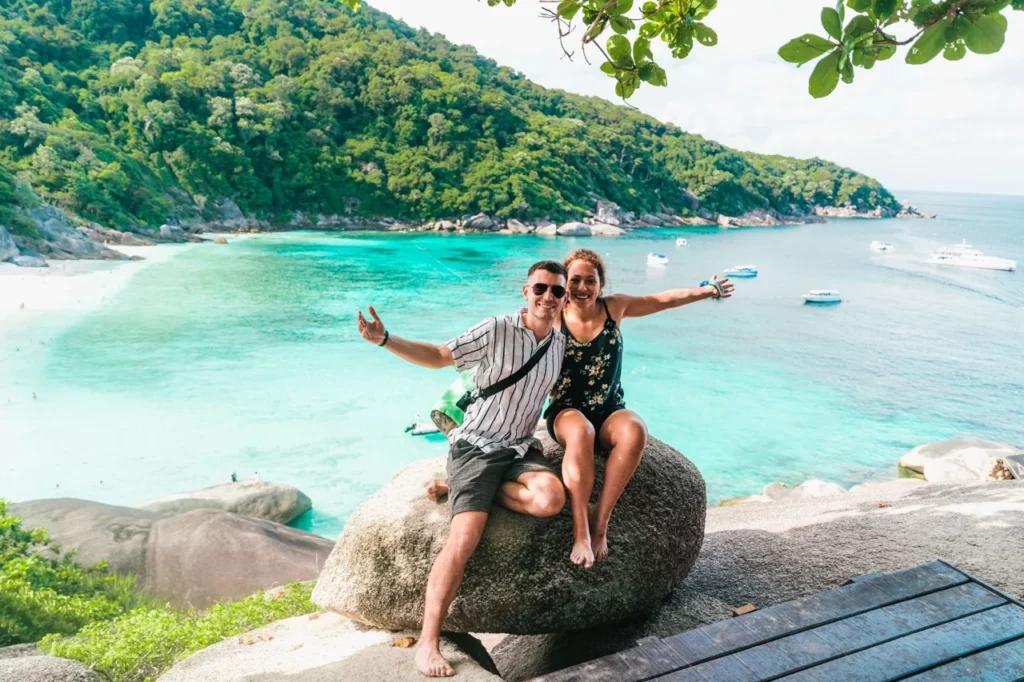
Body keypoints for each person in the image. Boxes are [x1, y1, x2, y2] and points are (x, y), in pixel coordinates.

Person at [356, 260, 569, 678]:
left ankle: (455, 487)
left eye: (557, 292)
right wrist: (386, 340)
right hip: (476, 448)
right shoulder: (496, 329)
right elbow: (438, 356)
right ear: (525, 291)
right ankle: (428, 640)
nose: (548, 297)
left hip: (519, 448)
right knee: (464, 540)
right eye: (541, 288)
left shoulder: (559, 343)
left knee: (551, 500)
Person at [546, 248, 733, 568]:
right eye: (574, 280)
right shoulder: (553, 316)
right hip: (566, 411)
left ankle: (600, 522)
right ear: (564, 284)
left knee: (635, 430)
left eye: (589, 281)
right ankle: (580, 531)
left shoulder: (614, 307)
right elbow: (513, 343)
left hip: (610, 408)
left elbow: (665, 299)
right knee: (581, 432)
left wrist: (706, 290)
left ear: (600, 284)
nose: (581, 288)